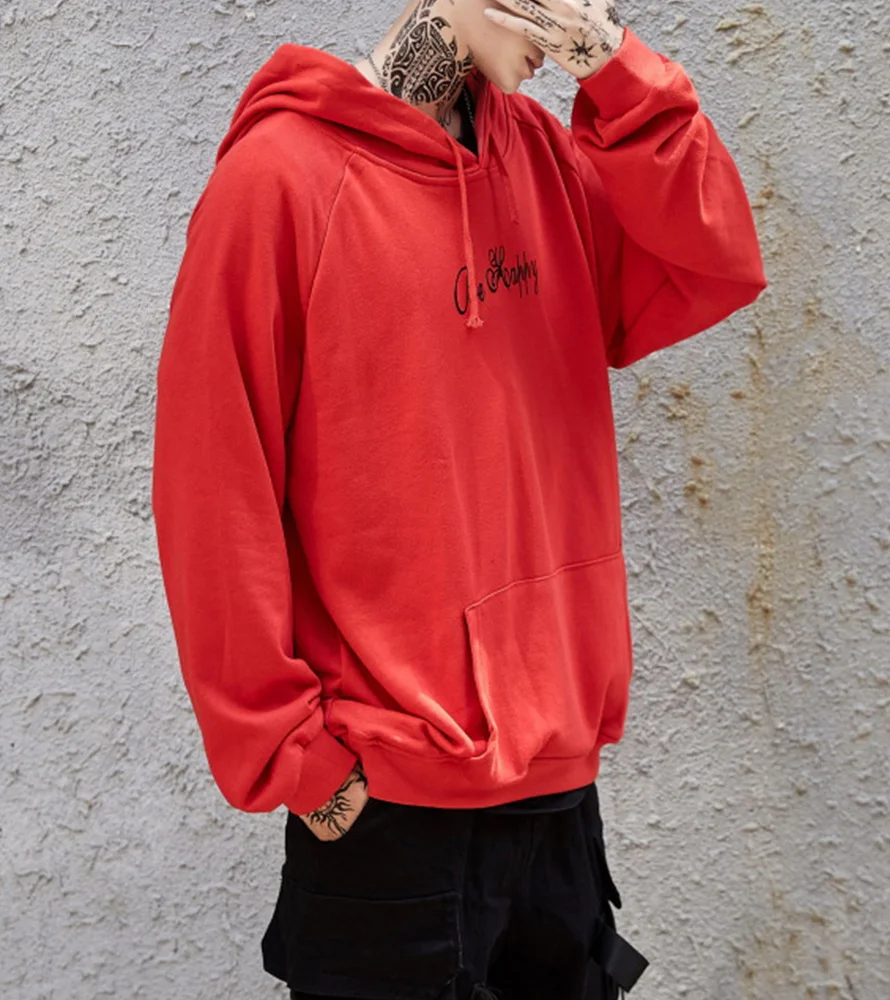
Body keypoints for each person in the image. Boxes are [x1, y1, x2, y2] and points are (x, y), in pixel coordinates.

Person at [150, 0, 767, 996]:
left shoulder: (541, 157)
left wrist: (617, 73)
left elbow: (711, 260)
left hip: (555, 794)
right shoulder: (280, 180)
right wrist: (292, 757)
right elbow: (213, 487)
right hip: (390, 810)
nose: (592, 13)